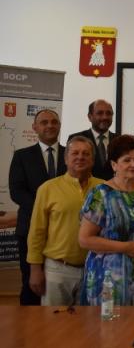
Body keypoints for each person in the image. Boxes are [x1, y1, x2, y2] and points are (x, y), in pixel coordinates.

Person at [78, 135, 134, 306]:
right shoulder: (100, 194)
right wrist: (126, 247)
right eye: (127, 160)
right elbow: (85, 239)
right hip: (108, 278)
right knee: (109, 323)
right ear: (114, 165)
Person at [27, 136, 102, 305]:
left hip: (95, 269)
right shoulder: (48, 188)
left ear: (92, 160)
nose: (80, 157)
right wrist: (35, 269)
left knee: (90, 321)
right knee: (53, 321)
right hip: (57, 270)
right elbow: (37, 232)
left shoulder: (104, 188)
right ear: (66, 159)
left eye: (86, 154)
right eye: (75, 153)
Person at [9, 109, 66, 305]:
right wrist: (45, 208)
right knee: (31, 284)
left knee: (60, 286)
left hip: (63, 232)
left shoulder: (71, 155)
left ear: (59, 126)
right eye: (44, 122)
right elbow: (16, 191)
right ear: (35, 127)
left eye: (54, 122)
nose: (50, 126)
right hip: (30, 229)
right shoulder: (21, 156)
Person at [67, 99, 118, 180]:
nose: (105, 117)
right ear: (90, 117)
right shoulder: (76, 139)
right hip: (84, 186)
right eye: (100, 113)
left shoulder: (119, 140)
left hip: (114, 187)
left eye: (108, 113)